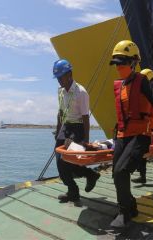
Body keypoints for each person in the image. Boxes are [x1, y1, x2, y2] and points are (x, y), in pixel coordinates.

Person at [109, 40, 153, 228]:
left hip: (141, 135)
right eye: (116, 63)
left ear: (133, 62)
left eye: (122, 62)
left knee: (122, 171)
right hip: (123, 136)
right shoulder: (119, 86)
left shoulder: (142, 81)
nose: (119, 66)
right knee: (116, 174)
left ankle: (124, 212)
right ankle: (130, 206)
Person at [53, 59, 100, 204]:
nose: (60, 81)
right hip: (66, 128)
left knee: (68, 160)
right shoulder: (60, 92)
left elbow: (86, 118)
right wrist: (57, 131)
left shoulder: (81, 93)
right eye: (58, 78)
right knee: (59, 162)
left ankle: (88, 175)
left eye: (62, 77)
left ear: (70, 74)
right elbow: (60, 113)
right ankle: (73, 190)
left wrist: (85, 140)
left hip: (78, 128)